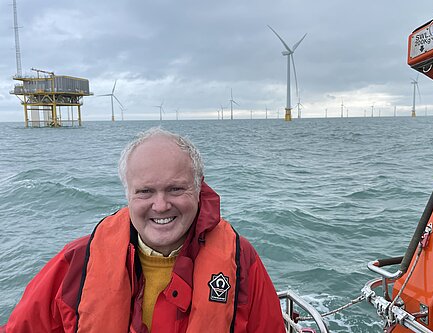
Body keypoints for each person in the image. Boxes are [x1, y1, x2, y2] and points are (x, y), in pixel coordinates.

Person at [1, 127, 285, 333]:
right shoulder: (76, 262)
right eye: (145, 192)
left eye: (175, 189)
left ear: (199, 188)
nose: (160, 205)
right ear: (127, 194)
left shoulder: (242, 263)